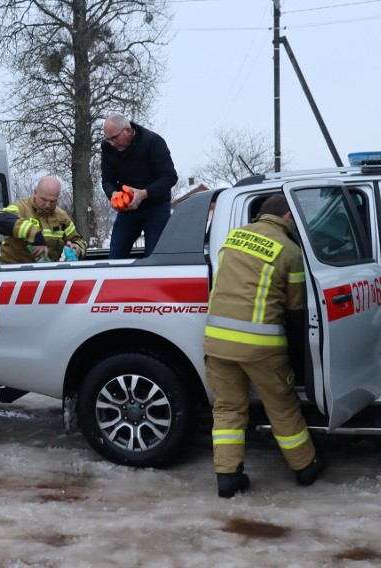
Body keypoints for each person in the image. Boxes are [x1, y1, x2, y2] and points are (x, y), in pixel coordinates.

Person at [203, 194, 326, 498]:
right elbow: (296, 310)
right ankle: (306, 467)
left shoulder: (233, 239)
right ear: (287, 217)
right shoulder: (290, 251)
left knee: (228, 409)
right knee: (282, 407)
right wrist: (300, 356)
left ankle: (227, 478)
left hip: (217, 342)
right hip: (261, 347)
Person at [101, 114, 178, 259]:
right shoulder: (107, 147)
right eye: (107, 138)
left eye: (114, 138)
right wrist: (113, 194)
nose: (111, 143)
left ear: (127, 131)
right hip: (127, 210)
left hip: (156, 208)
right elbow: (107, 180)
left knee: (155, 258)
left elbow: (170, 177)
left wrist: (143, 194)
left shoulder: (153, 142)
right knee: (115, 256)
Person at [0, 175, 86, 264]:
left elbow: (77, 240)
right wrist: (33, 234)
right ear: (35, 192)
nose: (48, 205)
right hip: (14, 274)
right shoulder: (20, 208)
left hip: (47, 274)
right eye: (44, 199)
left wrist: (77, 247)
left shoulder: (62, 217)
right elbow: (1, 220)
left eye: (53, 201)